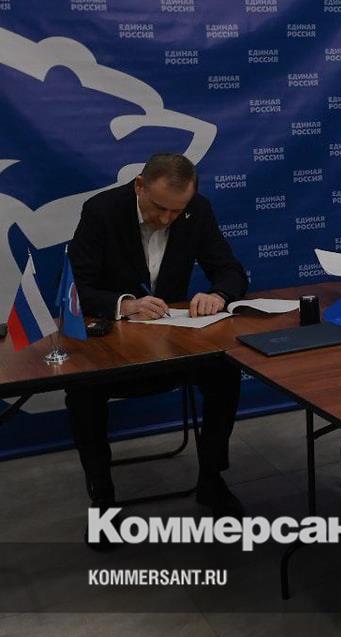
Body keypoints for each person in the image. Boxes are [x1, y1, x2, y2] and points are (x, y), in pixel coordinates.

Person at [66, 153, 249, 542]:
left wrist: (218, 294)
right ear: (139, 186)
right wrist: (125, 304)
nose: (166, 219)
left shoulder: (197, 210)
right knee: (81, 388)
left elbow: (230, 270)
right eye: (159, 208)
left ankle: (212, 478)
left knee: (225, 370)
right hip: (112, 345)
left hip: (173, 342)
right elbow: (77, 288)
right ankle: (102, 496)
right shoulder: (101, 211)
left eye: (176, 211)